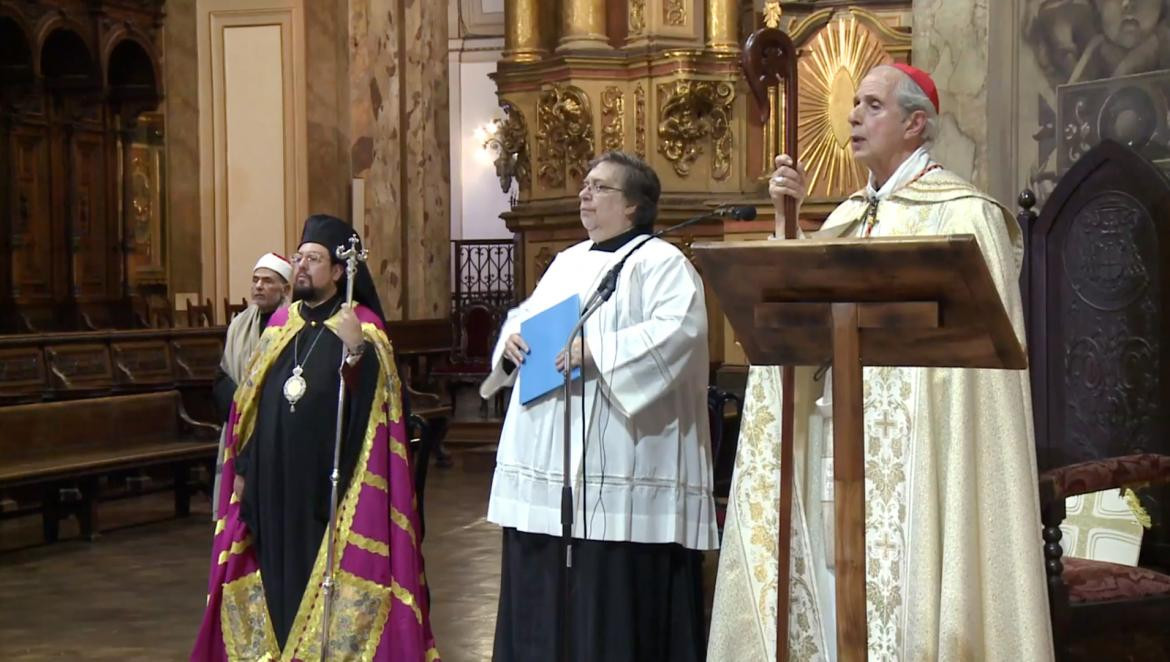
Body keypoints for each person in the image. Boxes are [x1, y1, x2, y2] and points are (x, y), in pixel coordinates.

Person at [707, 64, 1055, 660]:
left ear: (916, 123)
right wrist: (790, 226)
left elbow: (979, 377)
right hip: (837, 440)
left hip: (922, 457)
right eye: (854, 105)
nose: (852, 116)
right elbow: (796, 322)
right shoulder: (846, 218)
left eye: (872, 105)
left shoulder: (965, 215)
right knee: (834, 573)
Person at [480, 151, 717, 662]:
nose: (584, 194)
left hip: (624, 456)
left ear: (633, 206)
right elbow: (526, 323)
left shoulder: (663, 262)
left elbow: (682, 332)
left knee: (607, 587)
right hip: (550, 454)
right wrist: (513, 344)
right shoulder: (568, 261)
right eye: (585, 185)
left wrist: (599, 351)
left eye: (599, 187)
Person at [191, 214, 439, 661]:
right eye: (299, 256)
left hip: (328, 492)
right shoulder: (282, 322)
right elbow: (254, 404)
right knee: (273, 582)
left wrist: (357, 351)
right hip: (271, 486)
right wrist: (244, 468)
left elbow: (378, 410)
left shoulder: (362, 327)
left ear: (339, 271)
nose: (301, 266)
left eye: (314, 259)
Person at [209, 252, 292, 520]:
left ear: (285, 288)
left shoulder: (292, 325)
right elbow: (223, 373)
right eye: (255, 280)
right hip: (238, 422)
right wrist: (239, 407)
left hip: (275, 424)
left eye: (267, 281)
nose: (258, 286)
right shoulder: (239, 324)